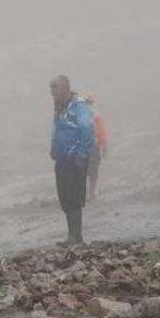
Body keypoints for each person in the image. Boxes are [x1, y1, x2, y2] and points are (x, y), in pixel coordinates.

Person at [49, 75, 95, 246]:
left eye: (54, 87)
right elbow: (57, 129)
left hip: (75, 158)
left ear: (65, 87)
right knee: (65, 196)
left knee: (74, 196)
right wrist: (53, 148)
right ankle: (73, 234)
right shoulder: (59, 107)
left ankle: (75, 235)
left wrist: (82, 154)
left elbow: (87, 128)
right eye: (50, 87)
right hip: (62, 158)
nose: (51, 91)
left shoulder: (79, 105)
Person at [82, 92, 108, 199]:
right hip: (91, 146)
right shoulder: (95, 115)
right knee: (93, 171)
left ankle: (86, 194)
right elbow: (102, 133)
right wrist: (104, 148)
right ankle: (91, 193)